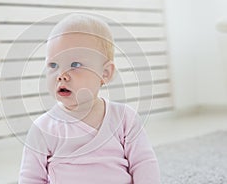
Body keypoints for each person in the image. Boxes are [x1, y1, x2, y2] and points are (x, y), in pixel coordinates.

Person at [19, 13, 160, 184]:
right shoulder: (43, 129)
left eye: (75, 65)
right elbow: (31, 178)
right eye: (53, 65)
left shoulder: (124, 119)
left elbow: (143, 163)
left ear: (105, 73)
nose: (61, 75)